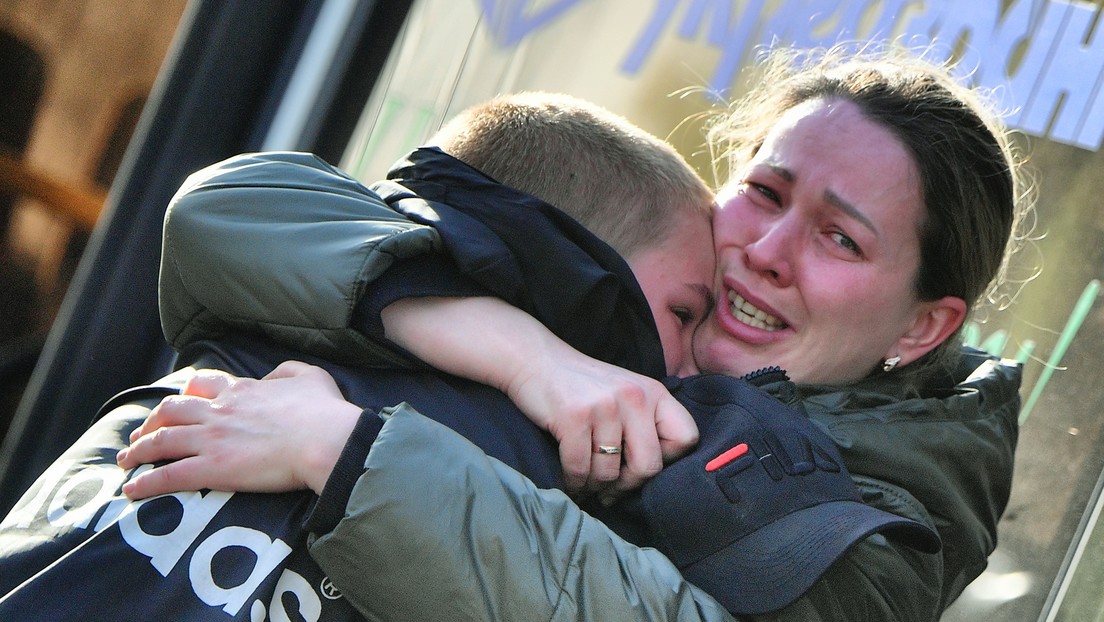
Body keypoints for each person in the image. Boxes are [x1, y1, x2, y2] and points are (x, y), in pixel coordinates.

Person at [123, 47, 1026, 620]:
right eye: (766, 192)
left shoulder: (889, 531)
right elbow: (228, 209)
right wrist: (531, 358)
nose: (768, 252)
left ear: (923, 326)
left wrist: (346, 454)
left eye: (840, 238)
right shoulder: (622, 307)